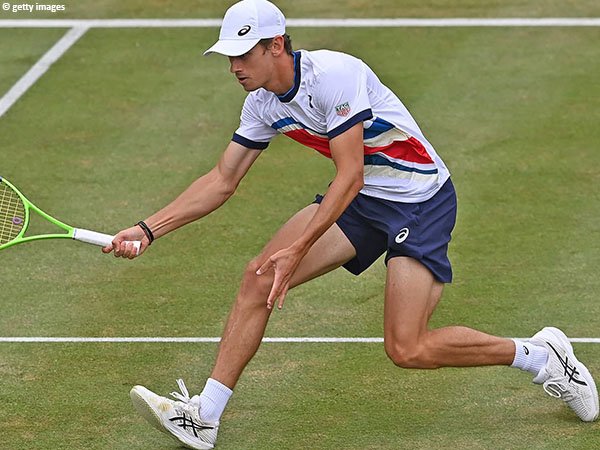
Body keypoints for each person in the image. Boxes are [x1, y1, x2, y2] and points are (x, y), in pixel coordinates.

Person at [104, 0, 599, 448]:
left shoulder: (334, 76)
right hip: (362, 202)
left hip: (418, 201)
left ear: (276, 45)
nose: (234, 66)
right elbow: (222, 179)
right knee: (258, 278)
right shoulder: (260, 104)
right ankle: (205, 416)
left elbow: (350, 172)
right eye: (229, 56)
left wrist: (299, 250)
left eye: (244, 53)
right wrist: (147, 230)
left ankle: (541, 357)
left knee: (407, 347)